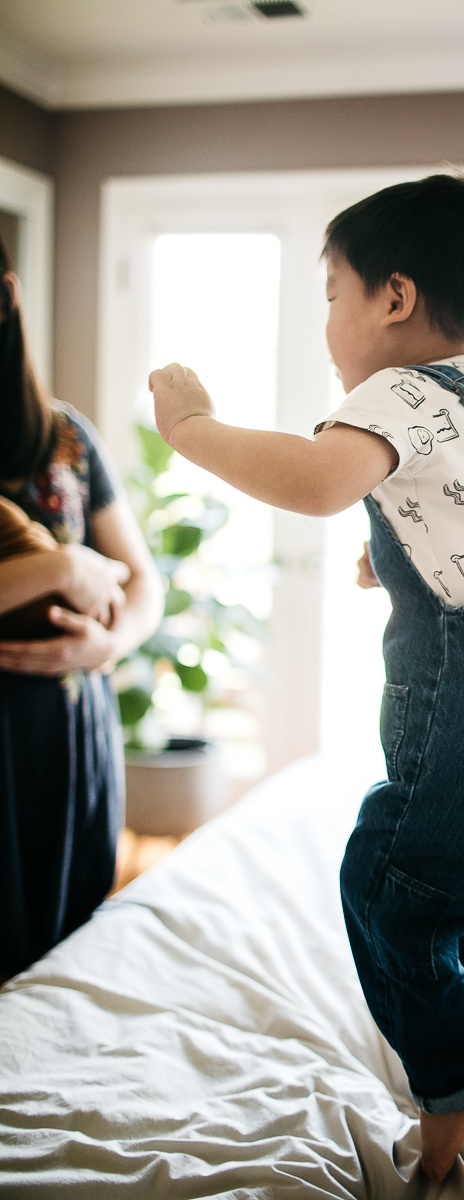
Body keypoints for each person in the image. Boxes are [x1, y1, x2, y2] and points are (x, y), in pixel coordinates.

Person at [149, 173, 464, 1182]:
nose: (327, 319)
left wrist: (192, 431)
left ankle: (453, 1087)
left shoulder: (394, 392)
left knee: (388, 883)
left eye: (329, 294)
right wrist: (390, 547)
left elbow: (315, 482)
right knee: (458, 862)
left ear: (391, 299)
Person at [0, 242, 163, 983]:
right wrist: (63, 565)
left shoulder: (67, 435)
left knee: (72, 959)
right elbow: (92, 566)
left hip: (69, 738)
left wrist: (106, 647)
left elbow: (144, 586)